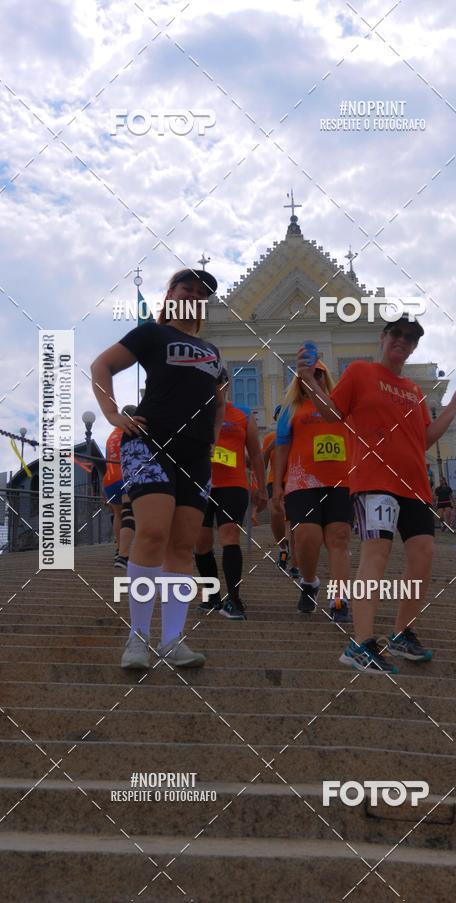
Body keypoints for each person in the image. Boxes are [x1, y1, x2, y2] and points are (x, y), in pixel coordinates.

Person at [296, 315, 456, 672]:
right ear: (383, 337)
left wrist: (453, 406)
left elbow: (425, 440)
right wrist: (309, 382)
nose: (403, 340)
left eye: (411, 338)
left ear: (415, 346)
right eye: (397, 334)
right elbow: (333, 415)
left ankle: (402, 634)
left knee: (424, 556)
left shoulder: (415, 391)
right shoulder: (360, 372)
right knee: (377, 553)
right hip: (374, 481)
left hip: (415, 485)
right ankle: (361, 643)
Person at [91, 268, 224, 670]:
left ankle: (171, 641)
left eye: (201, 292)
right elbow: (102, 365)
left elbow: (219, 400)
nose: (194, 294)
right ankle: (137, 639)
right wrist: (112, 413)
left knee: (182, 547)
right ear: (170, 293)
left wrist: (213, 437)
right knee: (151, 530)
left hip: (196, 455)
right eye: (187, 287)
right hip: (149, 442)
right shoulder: (152, 334)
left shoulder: (212, 350)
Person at [272, 360, 352, 623]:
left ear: (325, 376)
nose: (313, 377)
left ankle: (339, 598)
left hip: (340, 481)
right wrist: (277, 487)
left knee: (339, 537)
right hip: (302, 481)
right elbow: (281, 449)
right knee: (307, 537)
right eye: (308, 374)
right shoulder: (290, 409)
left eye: (319, 373)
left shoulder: (340, 403)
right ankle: (309, 582)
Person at [194, 370, 267, 620]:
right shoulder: (196, 411)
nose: (215, 389)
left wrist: (262, 487)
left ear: (226, 385)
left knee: (230, 534)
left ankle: (234, 599)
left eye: (219, 384)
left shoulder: (243, 414)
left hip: (233, 484)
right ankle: (212, 595)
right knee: (201, 543)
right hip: (201, 484)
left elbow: (256, 454)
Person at [263, 404, 299, 577]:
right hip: (273, 482)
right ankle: (282, 547)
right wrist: (272, 446)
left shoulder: (298, 437)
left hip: (294, 481)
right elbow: (262, 461)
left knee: (294, 526)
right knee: (276, 513)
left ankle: (295, 566)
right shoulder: (270, 437)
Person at [102, 404, 137, 569]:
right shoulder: (130, 430)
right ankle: (125, 553)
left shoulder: (111, 436)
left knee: (117, 514)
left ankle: (118, 549)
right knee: (129, 512)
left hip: (109, 480)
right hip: (126, 476)